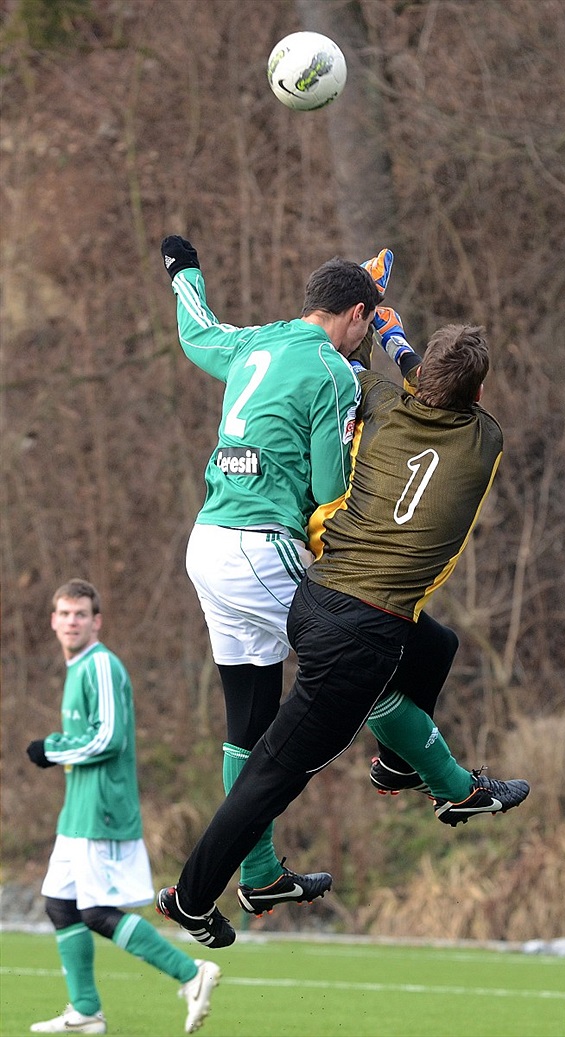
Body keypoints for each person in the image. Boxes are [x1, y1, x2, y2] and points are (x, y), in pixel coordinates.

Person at [155, 307, 530, 948]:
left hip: (318, 598)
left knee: (436, 645)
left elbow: (387, 376)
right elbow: (434, 388)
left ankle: (403, 770)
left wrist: (385, 330)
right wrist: (402, 343)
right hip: (359, 631)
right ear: (481, 395)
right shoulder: (484, 442)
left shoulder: (378, 402)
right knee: (274, 773)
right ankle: (191, 898)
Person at [160, 235, 380, 916]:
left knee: (249, 717)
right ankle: (443, 777)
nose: (365, 336)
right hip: (261, 546)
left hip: (209, 541)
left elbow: (198, 332)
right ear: (353, 315)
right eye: (367, 323)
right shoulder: (334, 373)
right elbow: (325, 491)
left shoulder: (255, 342)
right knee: (366, 652)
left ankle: (259, 874)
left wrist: (184, 269)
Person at [26, 580, 221, 1035]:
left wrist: (52, 749)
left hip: (102, 813)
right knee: (60, 905)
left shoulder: (100, 666)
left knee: (96, 913)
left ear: (96, 621)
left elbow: (109, 737)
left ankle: (192, 974)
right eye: (64, 613)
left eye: (80, 614)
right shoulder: (77, 668)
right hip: (77, 814)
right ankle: (86, 1011)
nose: (71, 621)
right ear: (53, 620)